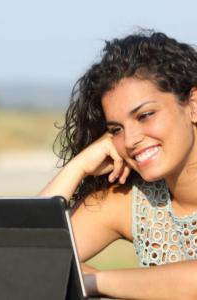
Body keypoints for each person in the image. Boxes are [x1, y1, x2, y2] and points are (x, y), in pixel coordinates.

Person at [40, 29, 197, 300]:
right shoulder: (130, 203)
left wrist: (92, 281)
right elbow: (21, 254)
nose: (131, 140)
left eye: (145, 115)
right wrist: (78, 167)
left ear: (193, 104)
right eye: (116, 129)